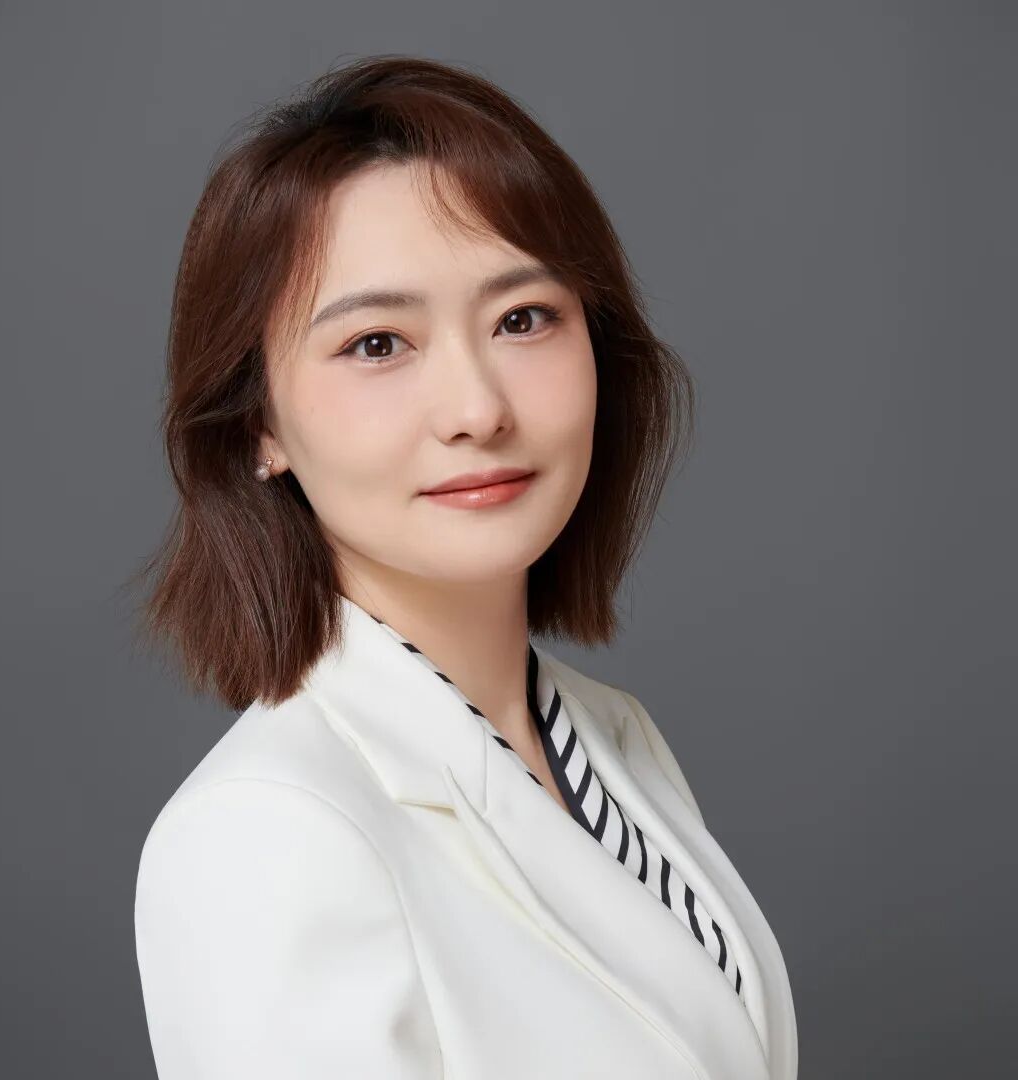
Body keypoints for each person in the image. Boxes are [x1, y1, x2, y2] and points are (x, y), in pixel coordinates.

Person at [131, 53, 798, 1080]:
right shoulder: (265, 829)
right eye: (378, 344)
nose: (479, 410)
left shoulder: (609, 740)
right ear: (257, 424)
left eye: (522, 319)